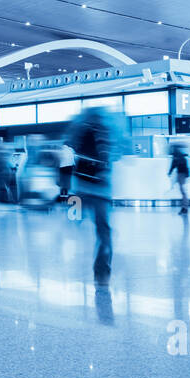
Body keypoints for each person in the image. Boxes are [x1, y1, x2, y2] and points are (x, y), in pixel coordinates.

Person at [66, 106, 116, 285]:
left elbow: (70, 148)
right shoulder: (105, 133)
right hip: (101, 189)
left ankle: (76, 219)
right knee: (104, 231)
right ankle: (102, 271)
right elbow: (109, 158)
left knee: (78, 216)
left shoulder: (81, 131)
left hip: (82, 187)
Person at [168, 142, 190, 214]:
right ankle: (184, 208)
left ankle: (185, 208)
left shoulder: (177, 156)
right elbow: (174, 165)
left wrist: (170, 172)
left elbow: (174, 165)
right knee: (183, 191)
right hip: (181, 175)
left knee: (183, 192)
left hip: (182, 175)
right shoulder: (179, 156)